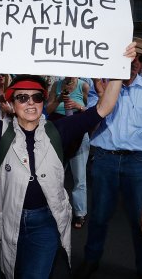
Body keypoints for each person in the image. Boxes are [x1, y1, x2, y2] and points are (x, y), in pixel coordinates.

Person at [0, 40, 136, 279]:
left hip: (46, 222)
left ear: (43, 101)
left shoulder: (58, 130)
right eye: (22, 98)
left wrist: (118, 67)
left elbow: (103, 108)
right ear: (11, 104)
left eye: (37, 97)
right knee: (14, 271)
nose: (30, 102)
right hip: (8, 219)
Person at [75, 39, 142, 279]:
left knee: (141, 221)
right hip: (104, 160)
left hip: (139, 163)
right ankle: (91, 260)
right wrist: (102, 99)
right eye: (127, 59)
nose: (132, 64)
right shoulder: (102, 86)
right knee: (99, 216)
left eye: (137, 59)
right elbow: (90, 128)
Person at [46, 76, 91, 229]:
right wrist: (58, 99)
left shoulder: (84, 86)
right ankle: (54, 209)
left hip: (78, 134)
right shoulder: (56, 86)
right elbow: (48, 109)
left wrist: (78, 106)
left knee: (79, 176)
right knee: (55, 175)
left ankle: (80, 213)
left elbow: (92, 112)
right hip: (59, 134)